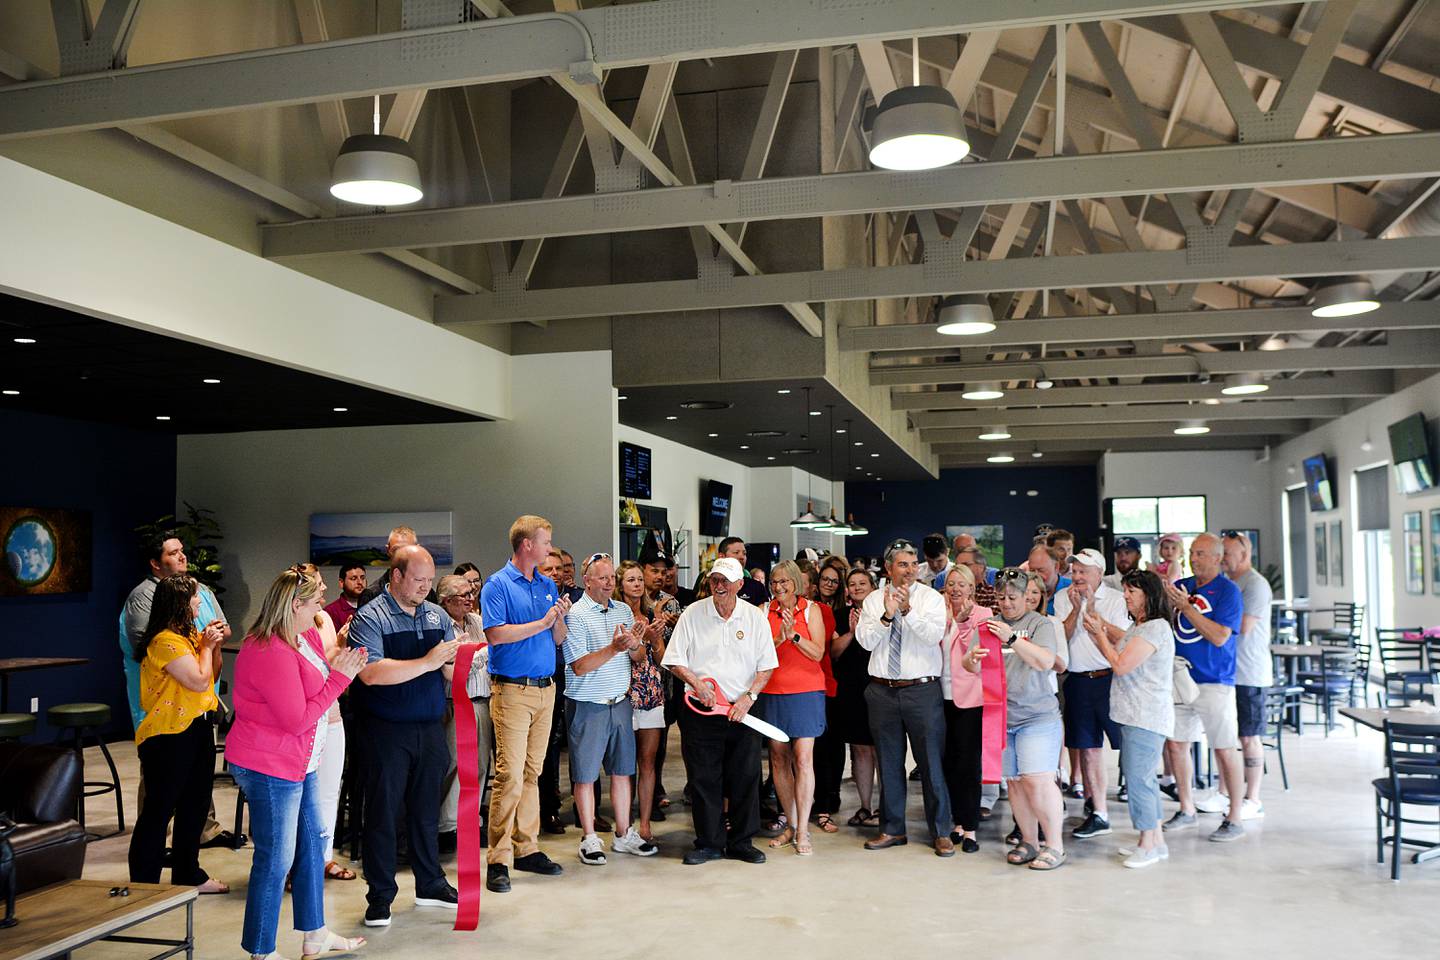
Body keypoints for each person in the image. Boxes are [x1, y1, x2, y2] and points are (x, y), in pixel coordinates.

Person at [226, 567, 369, 960]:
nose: (322, 605)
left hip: (298, 761)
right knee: (276, 859)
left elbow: (313, 690)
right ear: (294, 605)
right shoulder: (268, 649)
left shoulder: (305, 636)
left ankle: (315, 933)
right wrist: (341, 679)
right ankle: (261, 951)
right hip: (269, 765)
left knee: (312, 846)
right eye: (316, 599)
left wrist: (340, 666)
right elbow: (297, 718)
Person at [348, 544, 461, 926]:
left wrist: (466, 661)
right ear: (396, 576)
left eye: (430, 580)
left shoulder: (437, 615)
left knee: (427, 811)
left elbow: (447, 671)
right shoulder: (370, 617)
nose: (425, 587)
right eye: (417, 580)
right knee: (383, 814)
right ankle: (380, 895)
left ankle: (430, 883)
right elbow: (370, 673)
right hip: (385, 730)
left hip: (429, 726)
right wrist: (428, 661)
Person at [119, 531, 237, 849]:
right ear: (155, 563)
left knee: (198, 780)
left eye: (182, 550)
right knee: (161, 782)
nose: (183, 556)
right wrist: (200, 646)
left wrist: (207, 643)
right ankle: (157, 842)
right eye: (173, 553)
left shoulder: (201, 590)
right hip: (166, 705)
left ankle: (203, 832)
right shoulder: (144, 598)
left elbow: (224, 628)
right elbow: (146, 647)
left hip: (200, 699)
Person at [661, 557, 777, 865]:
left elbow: (767, 666)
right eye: (715, 579)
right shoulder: (693, 614)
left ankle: (741, 842)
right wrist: (697, 684)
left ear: (740, 584)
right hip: (701, 710)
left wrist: (749, 697)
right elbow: (674, 660)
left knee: (746, 776)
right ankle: (709, 843)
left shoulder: (755, 617)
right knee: (703, 778)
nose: (719, 585)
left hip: (743, 710)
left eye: (726, 580)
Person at [480, 516, 571, 893]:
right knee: (510, 776)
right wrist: (543, 621)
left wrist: (558, 619)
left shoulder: (547, 584)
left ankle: (527, 847)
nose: (550, 549)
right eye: (546, 542)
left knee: (533, 773)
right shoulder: (497, 585)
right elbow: (495, 634)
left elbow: (558, 638)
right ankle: (498, 858)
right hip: (512, 692)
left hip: (545, 689)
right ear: (527, 545)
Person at [127, 574, 228, 893]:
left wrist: (213, 645)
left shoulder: (190, 636)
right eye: (195, 597)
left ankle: (188, 873)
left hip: (198, 726)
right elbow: (197, 680)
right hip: (169, 736)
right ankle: (144, 882)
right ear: (180, 604)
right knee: (159, 809)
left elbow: (211, 675)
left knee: (195, 806)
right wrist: (206, 646)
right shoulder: (164, 641)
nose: (200, 602)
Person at [855, 539, 953, 857]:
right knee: (889, 763)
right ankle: (892, 828)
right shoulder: (873, 600)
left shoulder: (930, 598)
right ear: (888, 568)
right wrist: (886, 616)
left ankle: (941, 831)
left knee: (931, 763)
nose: (910, 570)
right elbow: (866, 641)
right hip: (882, 690)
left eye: (913, 564)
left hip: (921, 690)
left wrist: (907, 610)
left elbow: (933, 636)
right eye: (903, 564)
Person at [563, 554, 658, 864]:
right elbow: (579, 666)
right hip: (588, 704)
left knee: (622, 771)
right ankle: (589, 838)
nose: (609, 582)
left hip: (619, 702)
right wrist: (614, 647)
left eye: (611, 578)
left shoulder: (622, 610)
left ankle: (623, 834)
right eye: (602, 577)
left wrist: (634, 644)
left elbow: (638, 657)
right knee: (585, 775)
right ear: (587, 581)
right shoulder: (576, 615)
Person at [1082, 570, 1175, 869]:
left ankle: (1147, 845)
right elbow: (1120, 647)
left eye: (1131, 592)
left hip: (1144, 716)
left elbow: (1120, 665)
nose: (1125, 596)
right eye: (1125, 591)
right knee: (1143, 778)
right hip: (1135, 714)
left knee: (1138, 781)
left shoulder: (1155, 628)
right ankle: (1155, 841)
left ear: (1148, 595)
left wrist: (1099, 633)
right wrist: (1099, 630)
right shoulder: (1140, 627)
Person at [1161, 533, 1247, 843]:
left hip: (1215, 680)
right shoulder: (1183, 586)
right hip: (1181, 678)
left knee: (1223, 748)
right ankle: (1186, 808)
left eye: (1200, 553)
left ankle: (1234, 816)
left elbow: (1220, 636)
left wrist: (1187, 608)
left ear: (1217, 558)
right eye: (1192, 553)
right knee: (1176, 745)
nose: (1193, 558)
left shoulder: (1228, 591)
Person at [986, 569, 1068, 871]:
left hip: (1037, 716)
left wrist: (1011, 638)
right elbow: (971, 665)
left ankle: (1055, 845)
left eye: (1012, 597)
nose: (1006, 603)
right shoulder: (991, 624)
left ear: (1026, 596)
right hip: (1003, 716)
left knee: (1038, 780)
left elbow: (1045, 661)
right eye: (1001, 597)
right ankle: (1030, 841)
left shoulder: (1040, 624)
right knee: (1016, 783)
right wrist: (972, 659)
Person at [1052, 549, 1131, 839]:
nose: (1077, 576)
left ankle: (1141, 809)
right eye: (1074, 571)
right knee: (1088, 749)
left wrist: (1095, 615)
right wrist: (1076, 610)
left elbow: (1125, 639)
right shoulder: (1063, 598)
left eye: (1083, 571)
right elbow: (1059, 639)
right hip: (1077, 681)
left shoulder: (1117, 599)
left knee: (1128, 744)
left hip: (1111, 679)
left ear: (1099, 572)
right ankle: (1099, 812)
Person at [1198, 531, 1272, 822]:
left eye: (1227, 553)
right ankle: (1224, 792)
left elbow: (1242, 626)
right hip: (1226, 673)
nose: (1222, 558)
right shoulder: (1227, 584)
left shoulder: (1255, 585)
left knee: (1249, 737)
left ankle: (1253, 798)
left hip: (1249, 673)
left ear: (1244, 554)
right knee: (1224, 737)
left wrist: (1213, 619)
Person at [755, 560, 827, 857]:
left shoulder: (812, 610)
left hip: (806, 691)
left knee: (803, 758)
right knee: (778, 759)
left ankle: (803, 830)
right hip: (772, 691)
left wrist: (794, 635)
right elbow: (757, 653)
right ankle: (791, 823)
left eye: (784, 581)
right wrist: (778, 638)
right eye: (774, 581)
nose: (778, 586)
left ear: (796, 583)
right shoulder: (762, 611)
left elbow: (818, 652)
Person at [293, 564, 356, 883]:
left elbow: (329, 661)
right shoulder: (290, 625)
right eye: (318, 584)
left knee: (330, 792)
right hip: (306, 718)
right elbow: (316, 667)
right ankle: (296, 863)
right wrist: (339, 649)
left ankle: (324, 857)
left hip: (331, 713)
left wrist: (341, 644)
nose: (324, 589)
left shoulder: (325, 618)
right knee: (302, 796)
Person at [436, 574, 493, 856]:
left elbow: (489, 653)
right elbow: (452, 669)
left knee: (481, 765)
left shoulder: (477, 622)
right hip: (456, 703)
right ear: (446, 600)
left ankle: (470, 821)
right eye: (463, 595)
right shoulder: (440, 625)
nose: (470, 598)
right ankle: (447, 827)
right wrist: (480, 654)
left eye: (471, 593)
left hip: (483, 701)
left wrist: (474, 655)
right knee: (457, 765)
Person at [616, 561, 669, 841]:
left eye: (639, 579)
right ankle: (625, 821)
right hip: (623, 692)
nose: (637, 584)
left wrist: (655, 639)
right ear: (620, 585)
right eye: (631, 580)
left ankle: (645, 822)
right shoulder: (614, 615)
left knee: (648, 762)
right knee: (625, 764)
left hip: (650, 691)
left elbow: (663, 660)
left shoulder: (650, 616)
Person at [940, 565, 992, 853]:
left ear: (972, 588)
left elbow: (977, 656)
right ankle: (957, 821)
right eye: (951, 584)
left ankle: (970, 826)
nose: (956, 589)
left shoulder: (983, 615)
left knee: (968, 764)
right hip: (940, 696)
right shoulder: (940, 613)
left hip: (969, 699)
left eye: (962, 584)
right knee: (948, 762)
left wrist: (961, 624)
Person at [833, 567, 880, 828]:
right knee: (860, 749)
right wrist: (852, 632)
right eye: (853, 584)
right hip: (852, 690)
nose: (858, 587)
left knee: (882, 750)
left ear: (873, 587)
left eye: (863, 583)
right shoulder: (841, 616)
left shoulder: (884, 614)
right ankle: (865, 806)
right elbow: (833, 653)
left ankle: (886, 807)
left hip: (881, 688)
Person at [536, 550, 577, 835]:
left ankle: (583, 808)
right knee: (547, 747)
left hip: (573, 678)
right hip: (546, 678)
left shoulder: (576, 599)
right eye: (548, 569)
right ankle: (547, 807)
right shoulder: (536, 599)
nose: (555, 574)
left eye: (559, 569)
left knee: (574, 742)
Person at [810, 557, 849, 834]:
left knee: (833, 743)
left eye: (834, 581)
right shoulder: (810, 607)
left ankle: (831, 793)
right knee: (815, 745)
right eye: (825, 579)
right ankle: (816, 795)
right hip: (816, 680)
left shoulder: (842, 612)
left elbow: (834, 650)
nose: (829, 584)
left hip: (838, 680)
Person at [355, 525, 419, 609]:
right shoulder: (371, 595)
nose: (401, 556)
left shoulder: (426, 592)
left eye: (407, 550)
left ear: (417, 550)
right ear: (388, 550)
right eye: (396, 550)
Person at [717, 537, 770, 606]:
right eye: (736, 552)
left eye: (744, 553)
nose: (742, 557)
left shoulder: (757, 587)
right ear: (721, 556)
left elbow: (763, 610)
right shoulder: (709, 585)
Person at [323, 562, 368, 634]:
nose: (360, 582)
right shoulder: (330, 612)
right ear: (341, 582)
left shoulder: (373, 606)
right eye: (354, 578)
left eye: (362, 578)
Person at [1027, 544, 1070, 615]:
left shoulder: (1072, 590)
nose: (1036, 575)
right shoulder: (1021, 591)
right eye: (1032, 570)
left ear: (1056, 567)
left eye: (1041, 570)